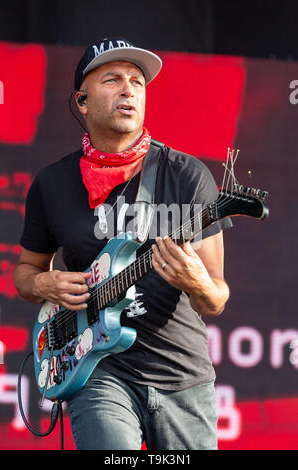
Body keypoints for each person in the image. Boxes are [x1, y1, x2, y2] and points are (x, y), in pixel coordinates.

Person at [13, 37, 232, 450]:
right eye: (112, 79)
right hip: (96, 369)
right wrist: (45, 285)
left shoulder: (187, 176)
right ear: (81, 100)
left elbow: (215, 299)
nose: (128, 89)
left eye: (137, 81)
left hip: (180, 375)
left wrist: (196, 282)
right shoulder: (52, 184)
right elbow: (24, 273)